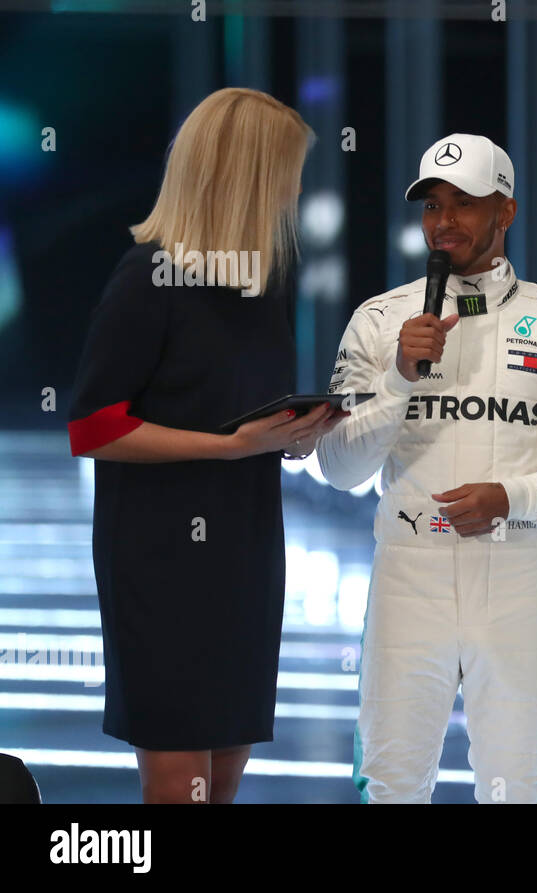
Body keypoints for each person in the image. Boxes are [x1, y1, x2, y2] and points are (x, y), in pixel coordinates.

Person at [318, 133, 537, 803]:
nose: (444, 222)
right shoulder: (379, 321)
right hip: (408, 576)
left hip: (514, 576)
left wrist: (511, 497)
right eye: (432, 205)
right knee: (392, 785)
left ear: (506, 212)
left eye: (464, 203)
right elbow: (338, 467)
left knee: (518, 789)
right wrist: (399, 378)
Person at [66, 88, 343, 803]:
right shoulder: (148, 278)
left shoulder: (262, 284)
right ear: (244, 172)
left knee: (219, 781)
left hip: (247, 544)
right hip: (160, 554)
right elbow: (94, 427)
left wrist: (291, 435)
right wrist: (228, 446)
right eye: (286, 170)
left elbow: (243, 413)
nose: (294, 189)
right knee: (180, 779)